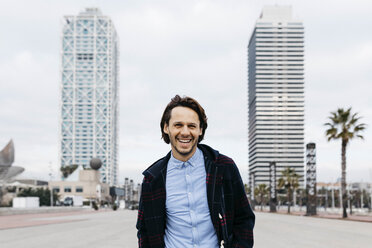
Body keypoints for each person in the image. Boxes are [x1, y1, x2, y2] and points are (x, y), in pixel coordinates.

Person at [136, 95, 255, 248]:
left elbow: (244, 219)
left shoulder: (224, 167)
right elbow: (144, 229)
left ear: (200, 129)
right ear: (166, 128)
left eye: (191, 126)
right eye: (178, 125)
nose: (185, 132)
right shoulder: (152, 178)